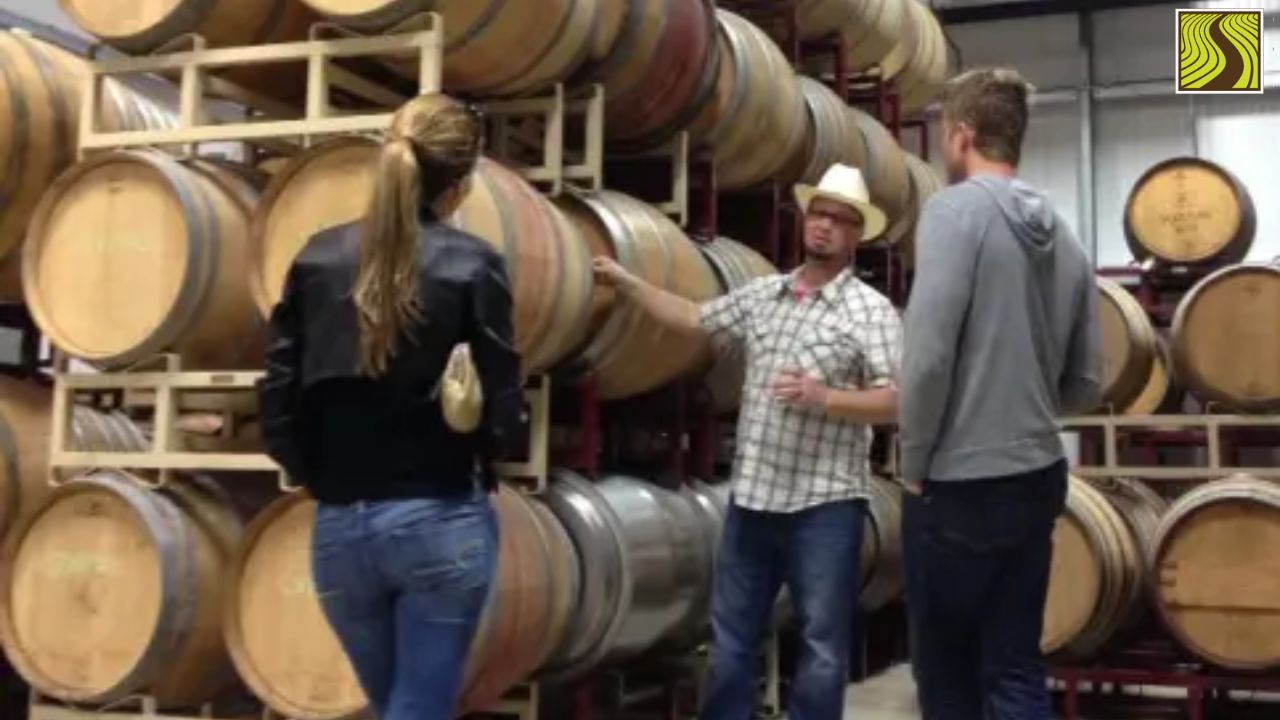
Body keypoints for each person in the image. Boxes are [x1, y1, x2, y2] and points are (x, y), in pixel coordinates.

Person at [594, 163, 902, 720]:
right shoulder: (765, 295)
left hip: (825, 506)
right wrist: (628, 283)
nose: (825, 226)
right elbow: (693, 319)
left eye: (841, 219)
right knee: (730, 643)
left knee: (821, 648)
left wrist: (825, 397)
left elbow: (896, 400)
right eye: (820, 213)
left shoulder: (870, 312)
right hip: (754, 500)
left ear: (857, 235)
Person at [257, 93, 523, 720]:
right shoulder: (473, 264)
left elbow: (276, 392)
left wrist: (313, 473)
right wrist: (483, 451)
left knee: (397, 706)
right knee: (416, 707)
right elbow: (503, 406)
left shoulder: (317, 258)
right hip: (438, 515)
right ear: (461, 181)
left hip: (340, 527)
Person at [897, 67, 1103, 720]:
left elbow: (927, 358)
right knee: (1014, 665)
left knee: (947, 670)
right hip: (1038, 474)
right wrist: (1029, 411)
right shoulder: (1065, 236)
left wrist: (915, 461)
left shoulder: (954, 213)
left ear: (961, 135)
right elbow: (1089, 378)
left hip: (961, 483)